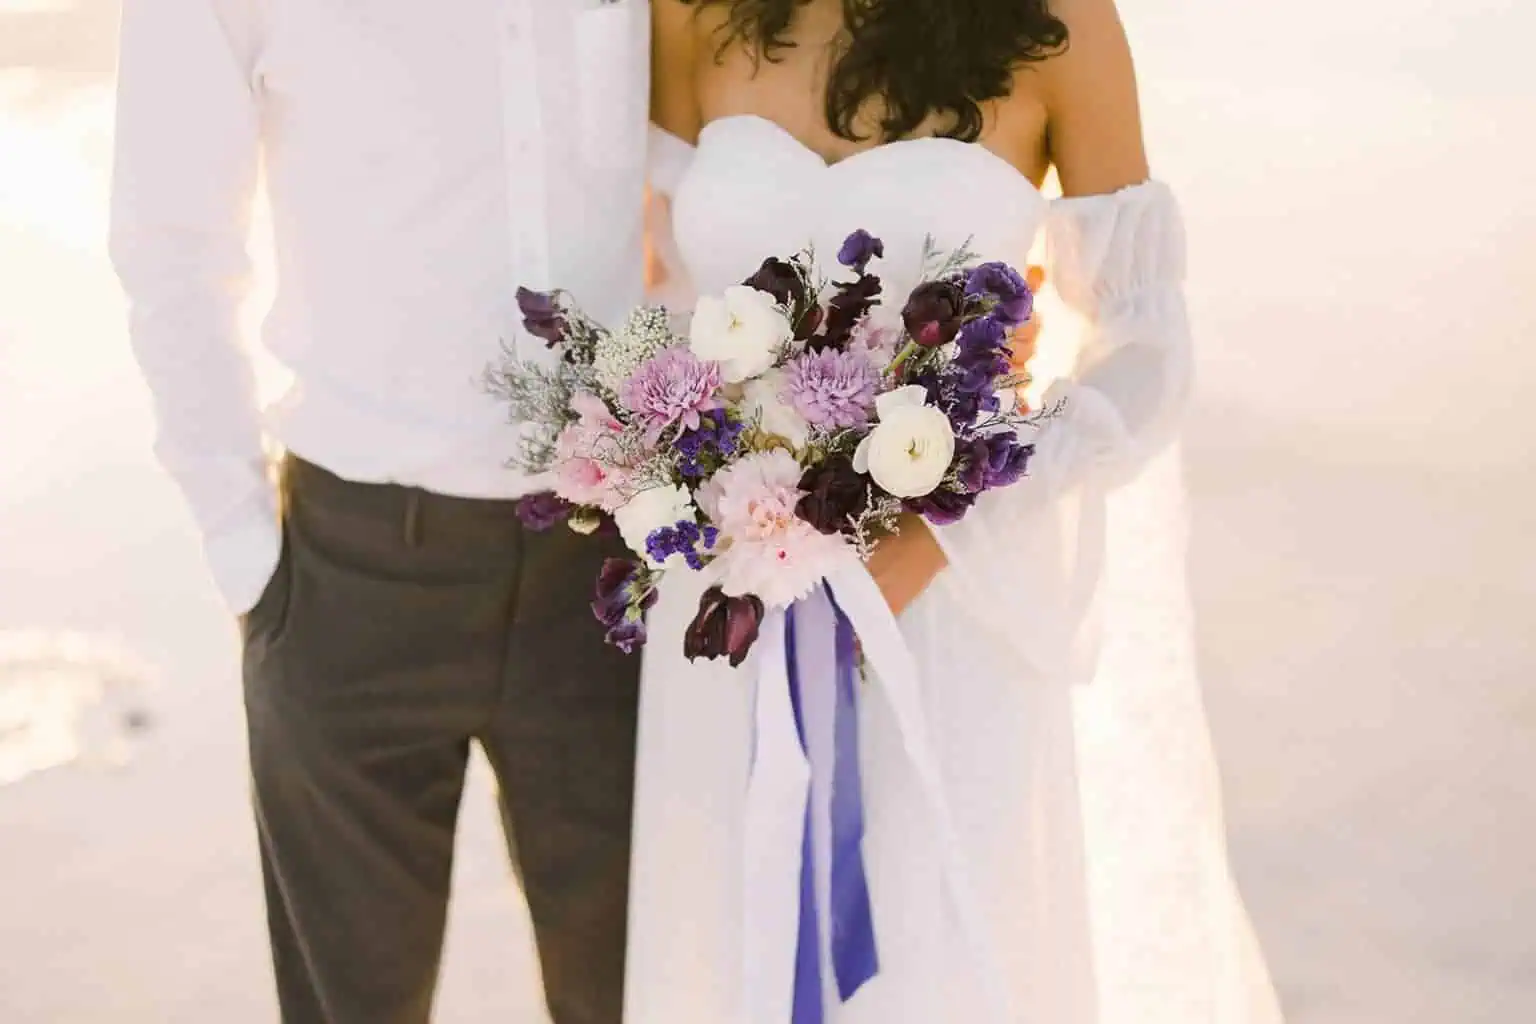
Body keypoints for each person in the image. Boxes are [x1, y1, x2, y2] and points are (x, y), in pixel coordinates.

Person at [626, 1, 1281, 1020]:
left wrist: (943, 522)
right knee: (724, 934)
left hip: (950, 605)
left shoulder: (1061, 26)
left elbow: (1147, 347)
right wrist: (692, 474)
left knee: (937, 941)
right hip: (728, 600)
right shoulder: (693, 11)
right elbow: (654, 290)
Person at [109, 2, 649, 1021]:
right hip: (349, 578)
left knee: (642, 997)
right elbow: (170, 243)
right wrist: (246, 559)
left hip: (614, 575)